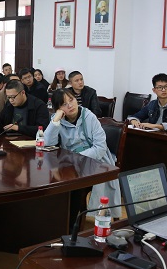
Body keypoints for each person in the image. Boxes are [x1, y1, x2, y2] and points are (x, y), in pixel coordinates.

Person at [43, 89, 121, 217]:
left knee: (74, 183)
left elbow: (100, 148)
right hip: (69, 162)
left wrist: (75, 158)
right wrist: (55, 120)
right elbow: (46, 143)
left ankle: (73, 221)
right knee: (55, 179)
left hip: (95, 159)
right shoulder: (58, 119)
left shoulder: (89, 117)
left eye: (71, 100)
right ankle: (61, 220)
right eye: (64, 104)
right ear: (58, 109)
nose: (70, 105)